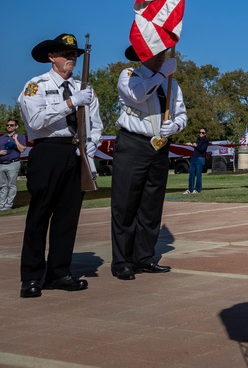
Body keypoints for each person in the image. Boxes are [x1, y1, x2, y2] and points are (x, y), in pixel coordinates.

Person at [18, 33, 103, 298]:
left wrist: (91, 145)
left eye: (74, 54)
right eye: (65, 54)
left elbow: (96, 123)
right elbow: (35, 120)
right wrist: (70, 103)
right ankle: (31, 276)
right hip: (48, 151)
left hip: (75, 152)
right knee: (39, 215)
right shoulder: (36, 85)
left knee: (68, 217)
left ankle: (59, 272)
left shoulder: (85, 89)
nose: (71, 58)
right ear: (51, 57)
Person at [111, 45, 187, 281]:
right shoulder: (130, 76)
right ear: (144, 55)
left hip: (159, 146)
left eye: (164, 51)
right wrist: (162, 74)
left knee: (151, 206)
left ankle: (144, 257)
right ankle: (122, 261)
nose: (163, 54)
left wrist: (175, 126)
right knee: (126, 205)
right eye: (156, 51)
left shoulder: (172, 84)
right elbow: (138, 94)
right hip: (133, 144)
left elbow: (182, 114)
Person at [0, 117, 27, 211]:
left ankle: (8, 204)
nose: (9, 127)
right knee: (3, 185)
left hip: (13, 163)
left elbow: (22, 149)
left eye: (11, 125)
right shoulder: (2, 138)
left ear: (16, 126)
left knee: (12, 185)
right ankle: (1, 204)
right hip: (1, 163)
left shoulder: (20, 136)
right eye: (7, 125)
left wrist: (15, 139)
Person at [185, 128, 210, 194]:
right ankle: (190, 189)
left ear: (205, 134)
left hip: (200, 158)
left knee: (198, 174)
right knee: (191, 174)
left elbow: (202, 149)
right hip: (194, 157)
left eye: (203, 133)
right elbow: (196, 147)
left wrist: (196, 146)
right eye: (200, 132)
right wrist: (191, 145)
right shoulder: (198, 139)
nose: (201, 134)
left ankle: (198, 189)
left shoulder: (206, 141)